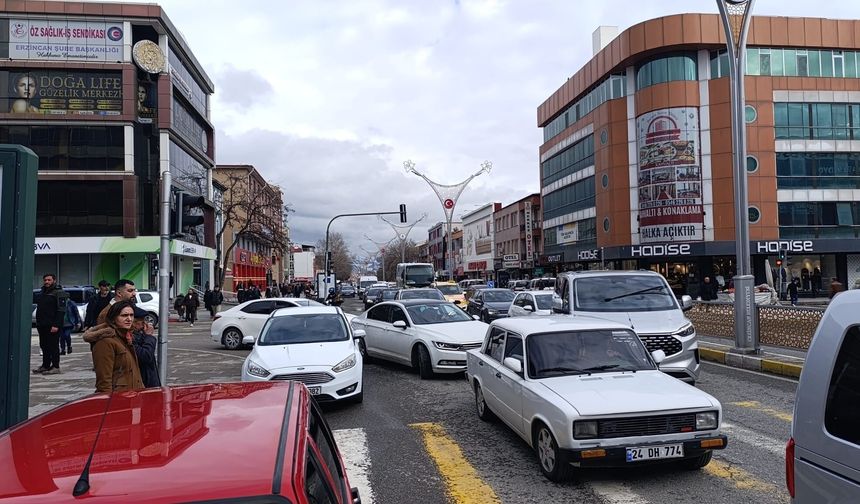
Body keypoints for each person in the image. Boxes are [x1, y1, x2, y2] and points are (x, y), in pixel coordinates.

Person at [83, 300, 145, 393]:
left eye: (131, 315)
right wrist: (108, 401)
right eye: (124, 315)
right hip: (118, 398)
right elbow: (104, 381)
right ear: (113, 318)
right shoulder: (105, 342)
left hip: (133, 396)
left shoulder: (126, 337)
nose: (129, 319)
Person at [34, 274, 69, 375]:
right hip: (42, 325)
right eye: (45, 280)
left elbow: (61, 310)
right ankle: (45, 365)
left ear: (54, 280)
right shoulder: (43, 292)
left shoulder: (59, 293)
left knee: (53, 346)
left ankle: (55, 366)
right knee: (44, 345)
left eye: (49, 280)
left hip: (52, 325)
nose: (46, 282)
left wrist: (56, 325)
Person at [132, 306, 160, 388]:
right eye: (142, 321)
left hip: (148, 380)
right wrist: (149, 336)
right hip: (142, 383)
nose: (145, 324)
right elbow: (146, 356)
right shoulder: (131, 337)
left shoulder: (139, 334)